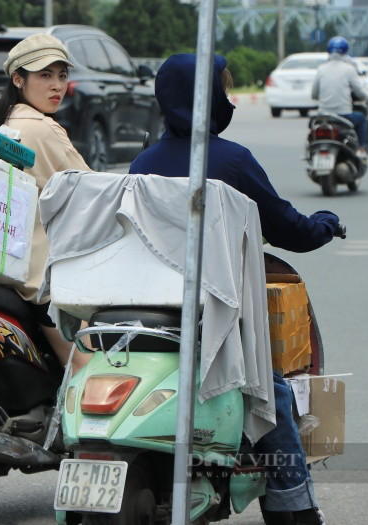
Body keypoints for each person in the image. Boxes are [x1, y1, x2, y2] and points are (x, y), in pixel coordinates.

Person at [130, 54, 330, 525]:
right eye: (224, 90)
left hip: (150, 311)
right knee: (271, 395)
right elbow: (288, 229)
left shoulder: (141, 163)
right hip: (214, 316)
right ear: (211, 100)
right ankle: (294, 509)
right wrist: (325, 225)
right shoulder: (233, 160)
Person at [0, 33, 92, 372]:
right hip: (37, 280)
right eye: (45, 75)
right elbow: (94, 191)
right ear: (19, 79)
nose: (56, 85)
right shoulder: (43, 129)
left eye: (61, 75)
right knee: (87, 372)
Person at [312, 36, 368, 157]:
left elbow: (314, 94)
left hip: (323, 116)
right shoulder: (349, 69)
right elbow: (360, 93)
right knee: (362, 119)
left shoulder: (321, 69)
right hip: (344, 115)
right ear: (345, 52)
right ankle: (361, 148)